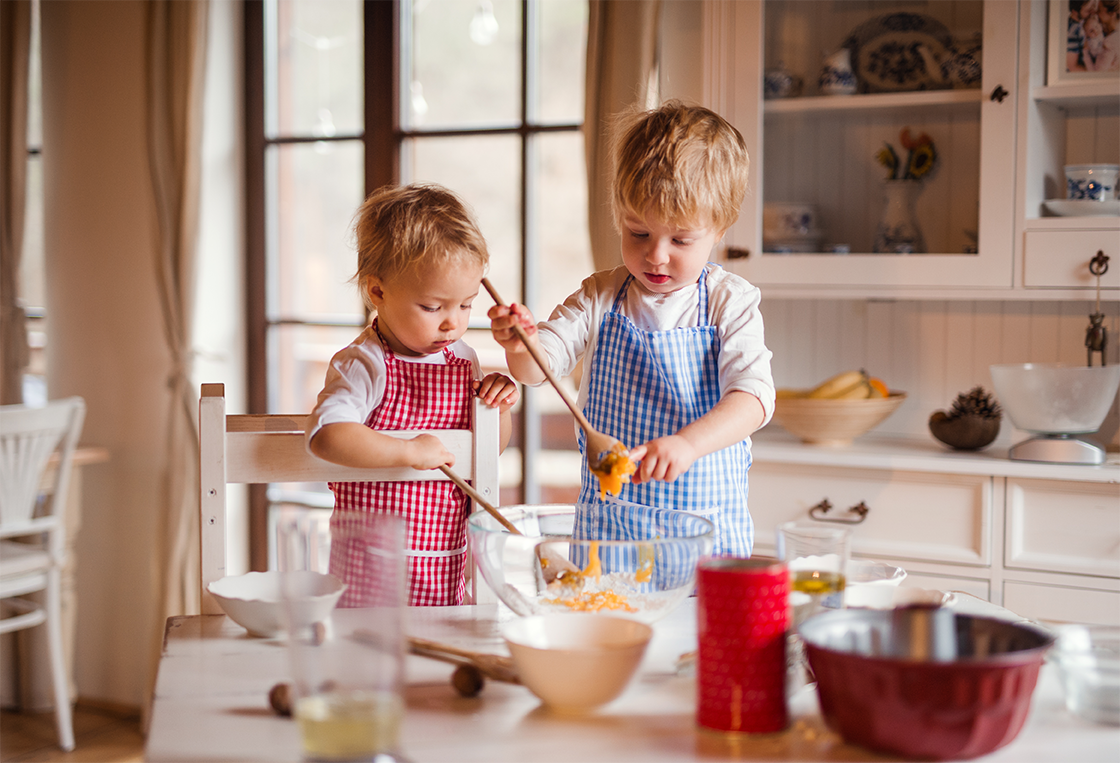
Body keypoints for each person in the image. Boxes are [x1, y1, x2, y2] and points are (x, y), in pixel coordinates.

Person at [488, 100, 774, 557]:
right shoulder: (601, 295)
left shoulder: (728, 301)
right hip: (610, 531)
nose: (656, 255)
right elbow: (536, 370)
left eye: (680, 239)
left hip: (703, 537)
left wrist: (687, 443)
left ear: (718, 229)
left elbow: (754, 399)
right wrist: (520, 341)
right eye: (637, 232)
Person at [306, 183, 519, 607]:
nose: (451, 325)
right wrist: (408, 452)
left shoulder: (463, 360)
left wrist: (498, 408)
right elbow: (327, 435)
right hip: (372, 575)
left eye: (466, 305)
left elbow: (488, 452)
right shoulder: (365, 363)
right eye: (433, 307)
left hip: (445, 569)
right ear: (378, 292)